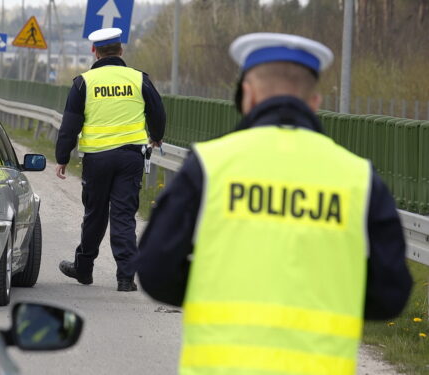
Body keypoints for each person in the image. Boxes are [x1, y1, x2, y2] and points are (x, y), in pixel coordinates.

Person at [136, 33, 412, 374]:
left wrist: (214, 289)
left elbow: (153, 269)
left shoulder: (210, 167)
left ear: (248, 95)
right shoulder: (358, 178)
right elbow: (392, 294)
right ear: (313, 101)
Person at [56, 28, 166, 292]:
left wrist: (62, 157)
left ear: (94, 51)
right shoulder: (139, 79)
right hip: (131, 158)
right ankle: (126, 277)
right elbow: (158, 112)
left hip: (97, 158)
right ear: (121, 51)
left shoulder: (84, 82)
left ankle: (83, 270)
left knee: (94, 214)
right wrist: (157, 137)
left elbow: (70, 124)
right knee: (124, 214)